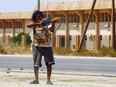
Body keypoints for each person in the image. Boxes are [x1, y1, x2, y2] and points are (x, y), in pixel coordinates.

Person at [27, 10, 60, 85]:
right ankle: (36, 79)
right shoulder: (34, 23)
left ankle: (48, 80)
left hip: (47, 46)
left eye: (41, 16)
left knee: (49, 63)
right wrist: (39, 23)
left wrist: (52, 23)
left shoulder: (46, 23)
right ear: (35, 18)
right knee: (36, 64)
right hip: (37, 46)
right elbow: (28, 26)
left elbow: (52, 30)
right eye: (38, 16)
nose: (40, 17)